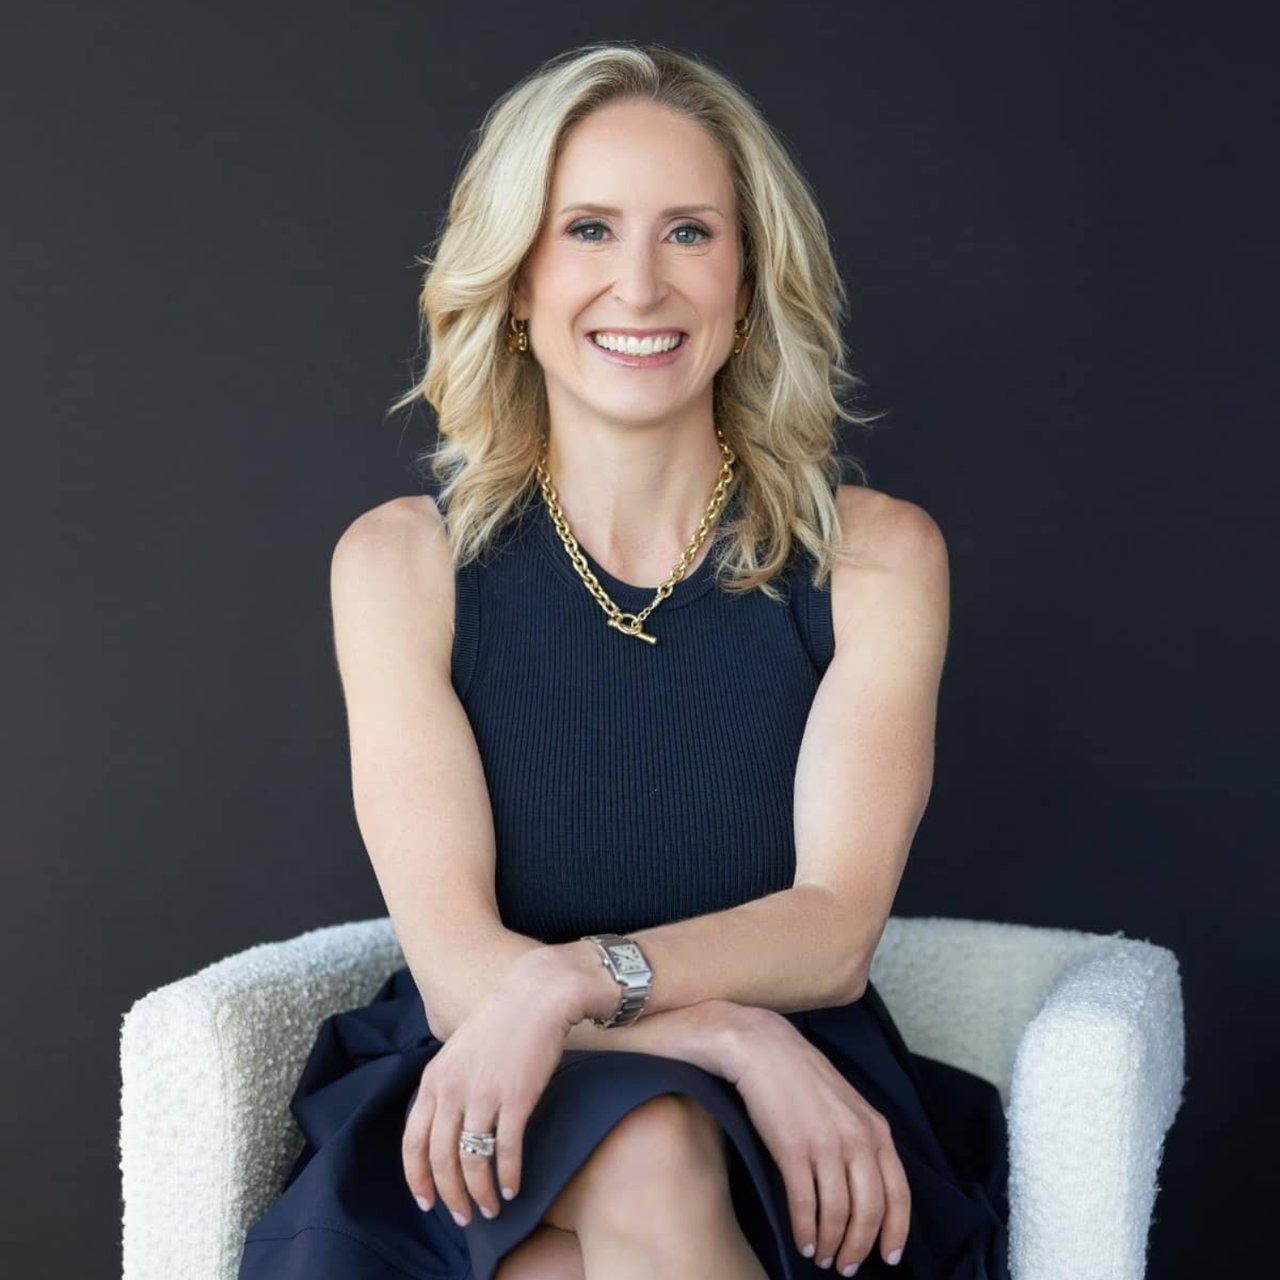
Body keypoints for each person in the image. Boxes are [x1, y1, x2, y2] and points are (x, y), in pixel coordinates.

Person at [237, 40, 1010, 1280]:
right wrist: (727, 1032)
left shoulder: (872, 558)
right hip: (487, 1084)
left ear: (746, 282)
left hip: (796, 1124)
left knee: (622, 1190)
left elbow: (830, 932)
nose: (639, 286)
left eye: (688, 233)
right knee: (645, 1142)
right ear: (515, 280)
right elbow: (461, 977)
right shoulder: (401, 565)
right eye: (587, 230)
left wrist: (572, 987)